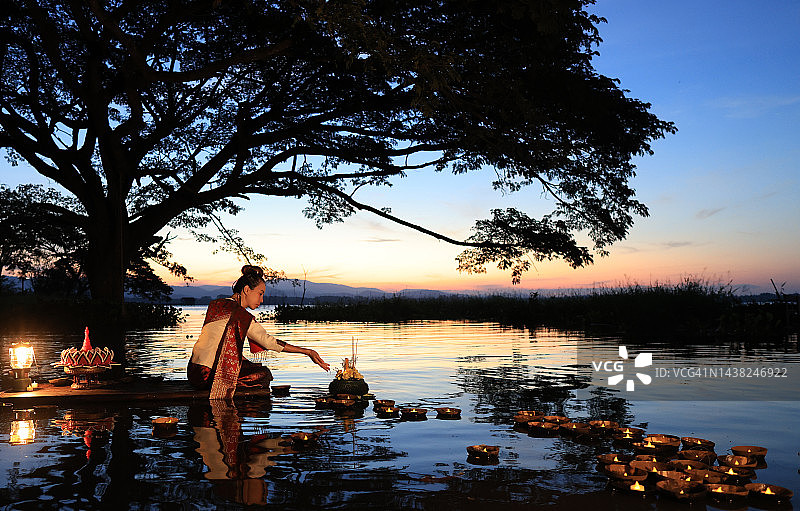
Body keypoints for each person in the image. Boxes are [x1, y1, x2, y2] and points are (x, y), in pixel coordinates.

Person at [187, 265, 329, 400]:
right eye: (260, 294)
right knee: (264, 374)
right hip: (208, 375)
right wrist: (307, 352)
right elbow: (268, 342)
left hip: (193, 371)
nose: (261, 300)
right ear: (247, 290)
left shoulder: (216, 304)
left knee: (253, 366)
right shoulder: (240, 315)